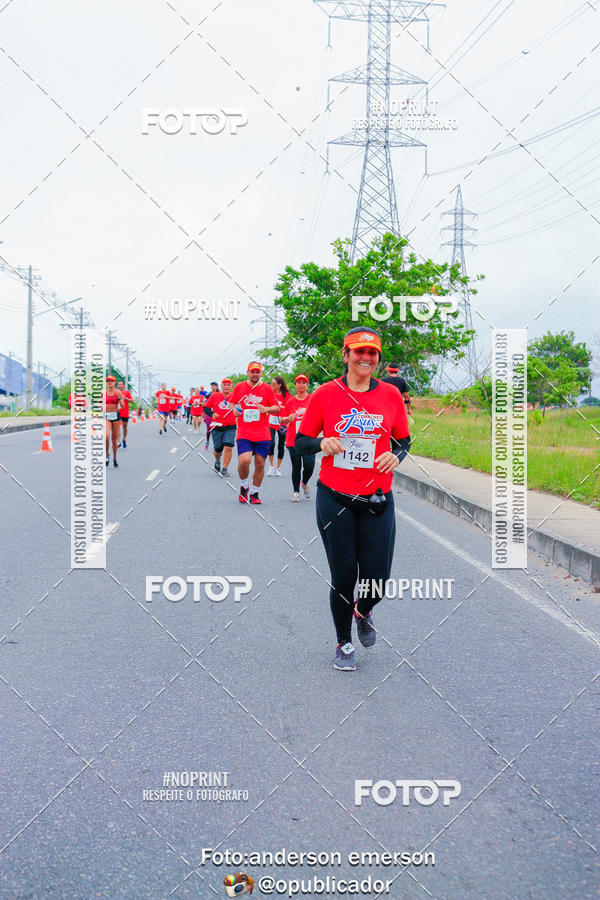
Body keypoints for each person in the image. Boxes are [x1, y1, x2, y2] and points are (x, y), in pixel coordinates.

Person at [296, 328, 411, 671]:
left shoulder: (390, 395)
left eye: (372, 353)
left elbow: (403, 441)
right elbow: (301, 442)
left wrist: (396, 457)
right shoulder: (325, 394)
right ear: (345, 355)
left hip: (377, 499)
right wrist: (322, 444)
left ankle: (364, 610)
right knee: (344, 575)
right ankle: (343, 641)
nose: (366, 358)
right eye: (359, 351)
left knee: (377, 580)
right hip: (335, 497)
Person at [227, 362, 279, 504]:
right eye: (252, 372)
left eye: (257, 372)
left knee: (260, 463)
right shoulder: (240, 387)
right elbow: (232, 403)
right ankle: (244, 486)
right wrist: (235, 410)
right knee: (245, 460)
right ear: (248, 373)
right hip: (244, 432)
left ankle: (255, 493)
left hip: (262, 434)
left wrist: (267, 409)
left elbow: (276, 407)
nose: (255, 374)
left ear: (261, 373)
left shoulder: (267, 389)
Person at [281, 374, 315, 501]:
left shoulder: (312, 399)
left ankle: (305, 482)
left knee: (309, 464)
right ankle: (296, 492)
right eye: (299, 382)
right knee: (296, 466)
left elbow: (319, 415)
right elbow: (282, 419)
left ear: (307, 385)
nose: (301, 384)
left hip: (309, 438)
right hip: (293, 439)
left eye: (304, 382)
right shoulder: (290, 401)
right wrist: (288, 418)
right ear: (295, 385)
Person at [204, 377, 237, 476]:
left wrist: (237, 412)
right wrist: (212, 414)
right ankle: (217, 461)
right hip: (217, 426)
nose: (226, 386)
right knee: (218, 450)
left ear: (231, 386)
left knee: (228, 447)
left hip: (230, 426)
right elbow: (206, 408)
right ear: (221, 386)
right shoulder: (215, 396)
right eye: (224, 385)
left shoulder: (235, 397)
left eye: (228, 385)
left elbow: (240, 408)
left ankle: (225, 468)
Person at [267, 376, 289, 477]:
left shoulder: (287, 396)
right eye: (271, 383)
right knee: (271, 444)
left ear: (280, 385)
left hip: (282, 422)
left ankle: (278, 468)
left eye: (274, 384)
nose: (272, 385)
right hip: (271, 422)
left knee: (281, 445)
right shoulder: (270, 394)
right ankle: (271, 466)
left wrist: (280, 407)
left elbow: (290, 407)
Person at [105, 375, 124, 468]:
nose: (110, 382)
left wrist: (120, 400)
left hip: (116, 416)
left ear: (114, 382)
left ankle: (115, 458)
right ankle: (107, 455)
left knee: (114, 440)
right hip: (107, 417)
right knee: (106, 436)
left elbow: (123, 406)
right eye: (108, 381)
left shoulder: (118, 392)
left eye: (111, 381)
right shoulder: (103, 393)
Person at [116, 380, 133, 448]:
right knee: (117, 427)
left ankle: (124, 439)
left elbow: (132, 400)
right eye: (119, 384)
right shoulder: (115, 392)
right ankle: (119, 442)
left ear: (123, 386)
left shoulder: (127, 392)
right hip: (117, 411)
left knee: (124, 428)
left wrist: (125, 398)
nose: (120, 385)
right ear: (117, 386)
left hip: (125, 412)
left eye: (121, 384)